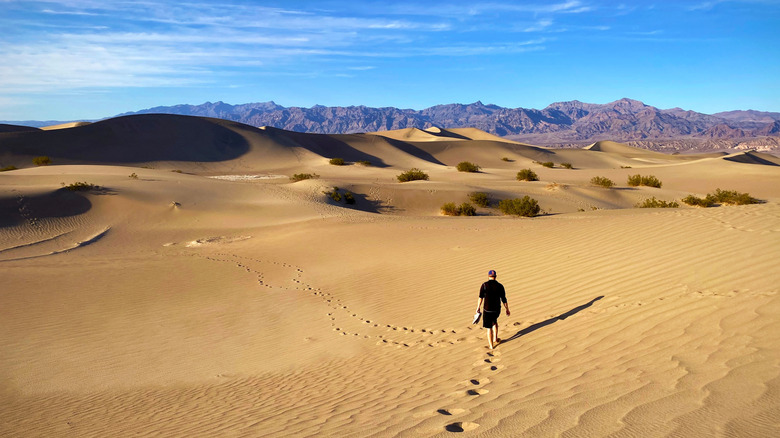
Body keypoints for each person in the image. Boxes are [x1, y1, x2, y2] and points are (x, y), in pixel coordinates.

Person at [475, 270, 510, 349]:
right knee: (494, 321)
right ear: (496, 276)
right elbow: (504, 299)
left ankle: (491, 346)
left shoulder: (484, 285)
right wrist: (507, 309)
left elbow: (480, 298)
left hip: (487, 310)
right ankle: (495, 338)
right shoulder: (500, 286)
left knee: (489, 328)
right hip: (497, 310)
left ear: (488, 276)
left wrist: (478, 308)